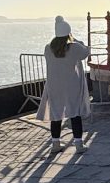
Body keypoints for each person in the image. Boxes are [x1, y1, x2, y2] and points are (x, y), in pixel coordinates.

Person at [36, 17, 91, 153]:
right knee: (74, 113)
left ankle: (55, 144)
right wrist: (75, 39)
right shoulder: (74, 47)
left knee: (56, 114)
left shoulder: (48, 48)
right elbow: (86, 52)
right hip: (71, 85)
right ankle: (78, 144)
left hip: (54, 85)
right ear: (68, 32)